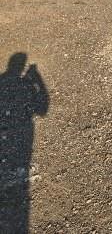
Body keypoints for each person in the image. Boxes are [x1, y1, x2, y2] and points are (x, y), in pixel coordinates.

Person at [0, 53, 49, 234]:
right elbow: (43, 108)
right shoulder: (15, 82)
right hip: (22, 137)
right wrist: (36, 79)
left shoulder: (3, 81)